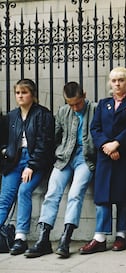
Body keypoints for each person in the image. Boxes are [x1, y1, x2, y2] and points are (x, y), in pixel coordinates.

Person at [24, 82, 97, 258]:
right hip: (64, 157)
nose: (75, 107)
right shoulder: (64, 111)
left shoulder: (95, 109)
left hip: (85, 158)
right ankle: (43, 239)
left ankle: (65, 239)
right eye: (70, 103)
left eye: (78, 103)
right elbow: (54, 136)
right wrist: (59, 152)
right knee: (52, 193)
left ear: (84, 95)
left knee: (75, 193)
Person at [79, 67, 126, 254]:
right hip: (105, 157)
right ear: (110, 83)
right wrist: (107, 147)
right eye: (114, 80)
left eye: (121, 80)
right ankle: (100, 237)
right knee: (102, 198)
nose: (117, 83)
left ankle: (121, 235)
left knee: (123, 197)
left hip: (125, 156)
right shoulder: (103, 104)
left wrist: (117, 144)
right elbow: (95, 128)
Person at [0, 79, 54, 255]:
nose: (20, 96)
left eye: (24, 92)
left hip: (35, 162)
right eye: (17, 93)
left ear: (33, 94)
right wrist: (4, 150)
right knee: (5, 197)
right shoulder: (11, 116)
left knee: (24, 191)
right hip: (14, 162)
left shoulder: (43, 114)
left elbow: (44, 144)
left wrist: (31, 165)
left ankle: (20, 238)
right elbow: (4, 139)